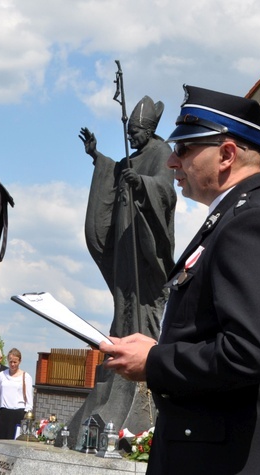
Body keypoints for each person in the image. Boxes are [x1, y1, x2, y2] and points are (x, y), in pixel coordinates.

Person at [101, 85, 260, 475]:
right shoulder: (239, 215)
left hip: (237, 459)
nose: (170, 162)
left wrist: (155, 360)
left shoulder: (250, 221)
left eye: (183, 150)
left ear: (227, 155)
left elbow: (250, 351)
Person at [80, 96, 176, 339]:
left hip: (143, 238)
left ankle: (141, 343)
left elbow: (166, 189)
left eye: (133, 132)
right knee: (123, 290)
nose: (129, 138)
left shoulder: (161, 152)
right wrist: (95, 155)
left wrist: (142, 182)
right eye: (128, 132)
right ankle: (122, 338)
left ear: (148, 130)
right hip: (124, 233)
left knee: (141, 291)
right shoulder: (133, 157)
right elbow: (115, 171)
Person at [0, 348, 33, 440]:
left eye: (15, 362)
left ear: (20, 361)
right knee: (1, 440)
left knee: (15, 440)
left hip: (18, 413)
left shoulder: (26, 377)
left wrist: (27, 415)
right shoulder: (2, 375)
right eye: (10, 361)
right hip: (3, 413)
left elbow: (29, 399)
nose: (12, 364)